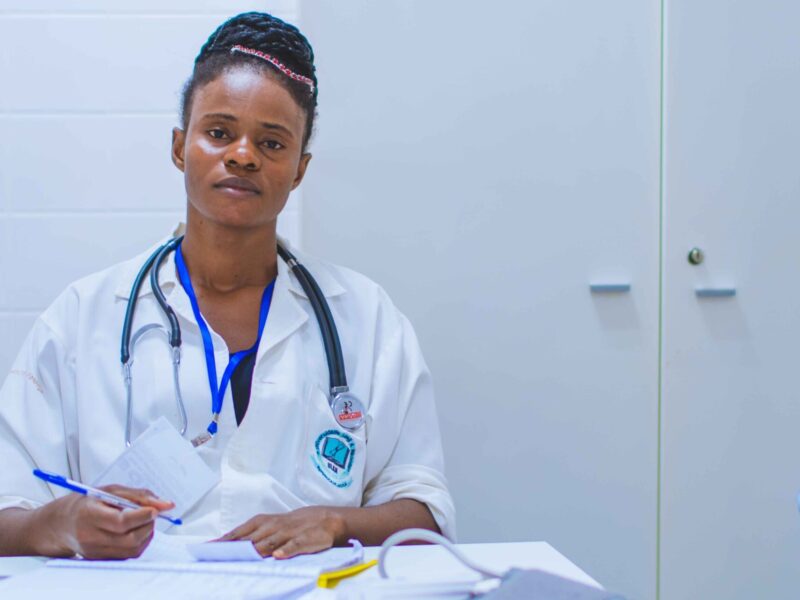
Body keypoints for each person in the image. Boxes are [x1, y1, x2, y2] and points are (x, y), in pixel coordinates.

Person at [0, 12, 454, 560]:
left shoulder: (366, 317)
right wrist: (62, 523)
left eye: (272, 142)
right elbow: (9, 508)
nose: (242, 155)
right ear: (178, 147)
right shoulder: (82, 317)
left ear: (300, 169)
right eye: (218, 133)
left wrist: (335, 521)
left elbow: (425, 510)